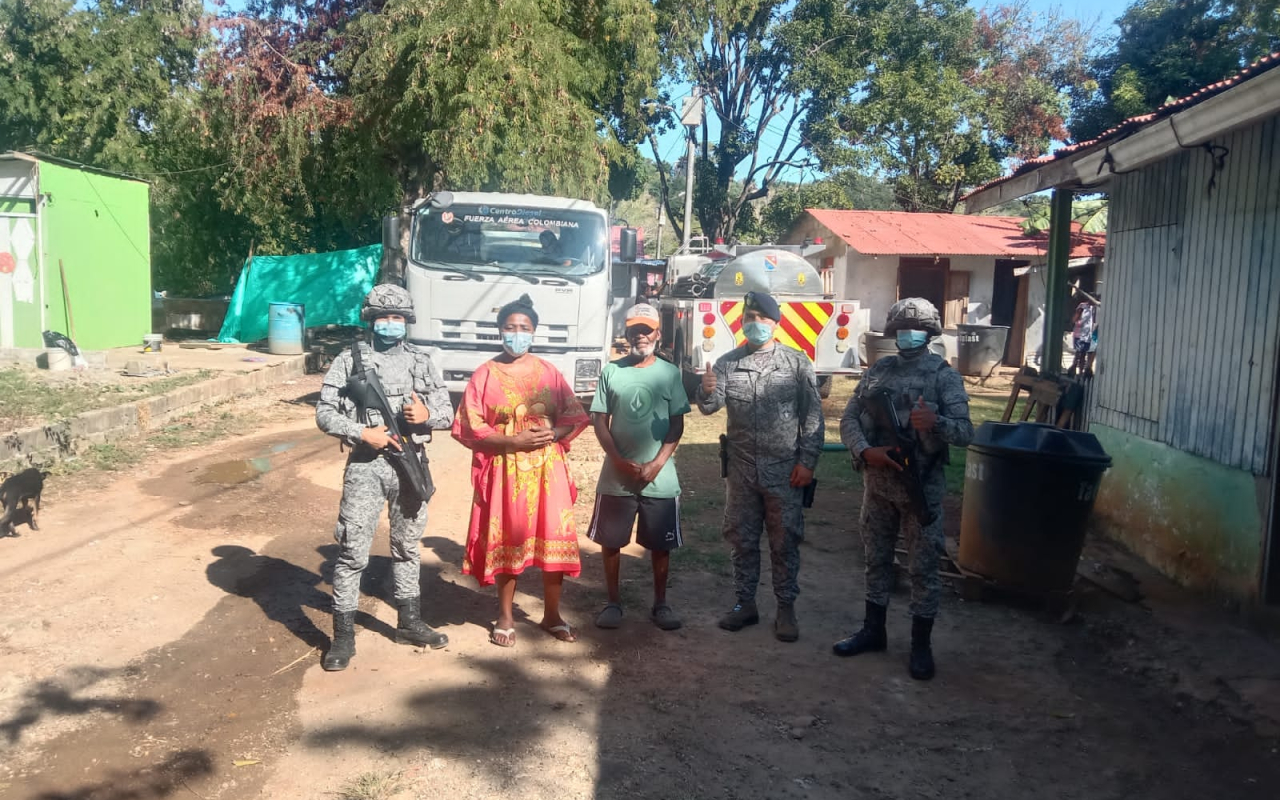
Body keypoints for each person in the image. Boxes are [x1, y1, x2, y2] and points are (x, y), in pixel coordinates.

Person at [315, 284, 455, 672]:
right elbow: (324, 413)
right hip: (366, 466)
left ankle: (409, 622)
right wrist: (362, 432)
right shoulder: (350, 359)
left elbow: (447, 412)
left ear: (407, 321)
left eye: (397, 318)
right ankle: (343, 636)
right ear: (370, 320)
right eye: (382, 317)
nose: (390, 324)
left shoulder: (421, 361)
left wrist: (426, 416)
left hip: (410, 465)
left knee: (407, 547)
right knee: (352, 551)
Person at [834, 297, 973, 680]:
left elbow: (966, 432)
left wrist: (936, 422)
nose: (908, 335)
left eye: (917, 329)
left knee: (923, 568)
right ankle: (873, 631)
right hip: (878, 487)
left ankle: (920, 646)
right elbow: (849, 418)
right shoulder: (879, 371)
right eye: (902, 329)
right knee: (876, 559)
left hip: (920, 490)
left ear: (929, 333)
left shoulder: (944, 376)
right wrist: (865, 451)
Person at [452, 294, 591, 647]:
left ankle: (552, 615)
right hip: (506, 469)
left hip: (547, 468)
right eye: (510, 327)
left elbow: (574, 415)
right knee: (508, 540)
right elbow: (469, 425)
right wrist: (511, 441)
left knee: (554, 538)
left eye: (524, 327)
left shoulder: (549, 372)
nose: (517, 334)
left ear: (534, 331)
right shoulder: (485, 374)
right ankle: (505, 616)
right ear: (500, 331)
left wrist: (554, 433)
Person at [696, 291, 824, 642]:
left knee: (785, 542)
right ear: (741, 322)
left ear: (775, 323)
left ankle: (786, 608)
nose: (756, 324)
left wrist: (807, 462)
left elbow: (813, 417)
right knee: (742, 540)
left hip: (785, 472)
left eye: (762, 318)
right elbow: (710, 407)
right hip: (741, 472)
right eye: (749, 317)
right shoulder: (727, 364)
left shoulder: (796, 363)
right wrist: (705, 391)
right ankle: (745, 603)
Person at [588, 303, 691, 631]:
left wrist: (657, 464)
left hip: (659, 477)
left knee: (661, 545)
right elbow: (600, 421)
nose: (640, 336)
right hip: (616, 477)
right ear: (626, 333)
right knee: (611, 541)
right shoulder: (611, 372)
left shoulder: (670, 374)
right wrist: (618, 460)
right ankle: (613, 603)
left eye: (646, 330)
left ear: (658, 333)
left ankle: (661, 604)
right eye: (634, 330)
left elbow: (677, 424)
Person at [1068, 293, 1099, 378]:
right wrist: (1077, 323)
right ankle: (1074, 370)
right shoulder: (1082, 306)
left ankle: (1082, 372)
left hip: (1090, 334)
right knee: (1079, 353)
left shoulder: (1095, 308)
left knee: (1085, 353)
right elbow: (1075, 318)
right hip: (1080, 334)